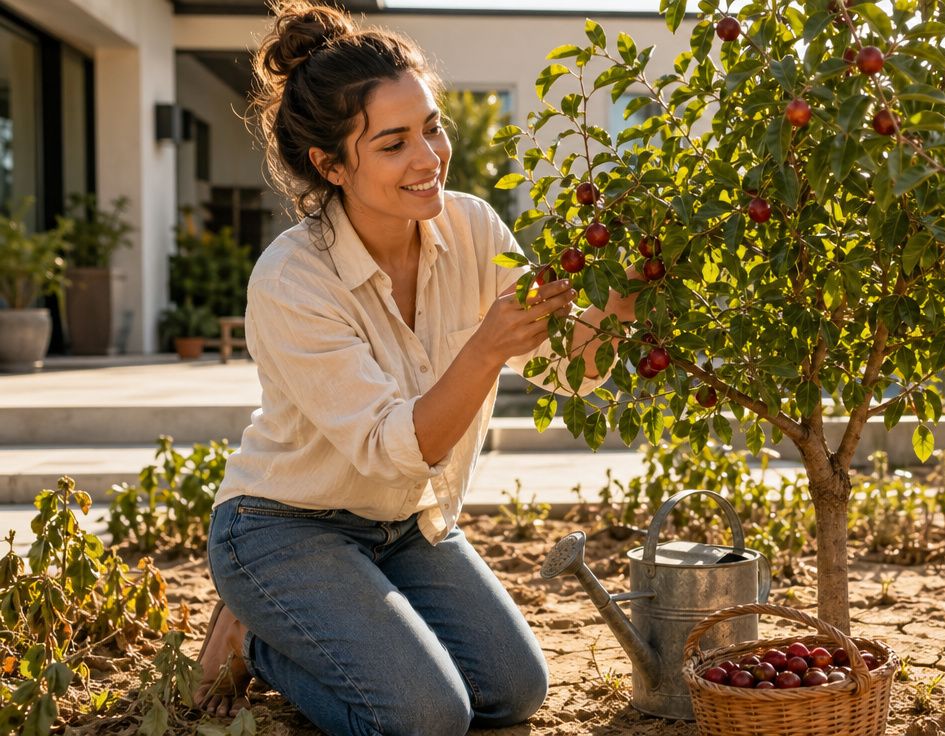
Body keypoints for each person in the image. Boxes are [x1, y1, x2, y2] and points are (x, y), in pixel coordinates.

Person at [193, 2, 640, 733]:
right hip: (283, 526)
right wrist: (486, 348)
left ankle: (333, 618)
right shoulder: (293, 280)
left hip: (403, 524)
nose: (429, 157)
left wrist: (624, 297)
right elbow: (393, 447)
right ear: (330, 164)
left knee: (514, 691)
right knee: (429, 719)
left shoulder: (471, 226)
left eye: (432, 127)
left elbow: (567, 367)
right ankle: (261, 638)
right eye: (394, 143)